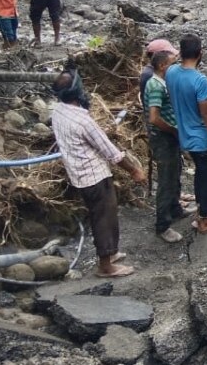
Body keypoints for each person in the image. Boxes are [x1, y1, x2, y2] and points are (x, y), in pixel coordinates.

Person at [51, 69, 146, 278]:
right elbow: (111, 152)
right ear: (76, 92)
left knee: (102, 215)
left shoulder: (58, 111)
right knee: (104, 218)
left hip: (78, 174)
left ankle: (110, 254)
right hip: (94, 177)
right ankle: (105, 266)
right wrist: (135, 170)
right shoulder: (83, 122)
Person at [165, 33, 207, 234]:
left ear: (181, 52)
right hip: (202, 140)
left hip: (185, 136)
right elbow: (206, 114)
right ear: (201, 53)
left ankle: (202, 214)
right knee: (205, 179)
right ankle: (204, 220)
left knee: (200, 176)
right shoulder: (200, 80)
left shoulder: (171, 72)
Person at [144, 45, 195, 243]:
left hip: (170, 136)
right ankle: (162, 225)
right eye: (173, 64)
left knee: (174, 173)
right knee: (166, 180)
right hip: (163, 137)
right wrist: (174, 130)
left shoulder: (163, 82)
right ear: (164, 66)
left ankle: (175, 209)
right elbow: (154, 118)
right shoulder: (155, 85)